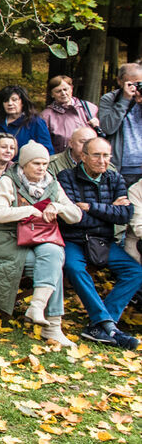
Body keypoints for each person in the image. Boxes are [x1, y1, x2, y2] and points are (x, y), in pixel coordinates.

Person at [0, 142, 80, 344]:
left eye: (45, 163)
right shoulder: (9, 181)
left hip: (39, 238)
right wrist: (29, 210)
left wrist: (57, 206)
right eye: (36, 163)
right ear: (24, 164)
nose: (42, 168)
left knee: (54, 253)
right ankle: (53, 327)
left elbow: (76, 215)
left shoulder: (52, 184)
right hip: (9, 241)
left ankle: (37, 306)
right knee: (53, 266)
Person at [57, 137, 142, 350]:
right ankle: (109, 327)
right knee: (74, 268)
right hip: (74, 239)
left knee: (135, 271)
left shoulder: (115, 178)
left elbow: (124, 215)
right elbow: (72, 217)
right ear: (83, 156)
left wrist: (91, 207)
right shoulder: (66, 177)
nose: (102, 160)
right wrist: (107, 210)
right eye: (96, 155)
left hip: (102, 241)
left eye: (106, 155)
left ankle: (102, 324)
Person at [97, 63, 142, 184]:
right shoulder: (109, 99)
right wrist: (124, 100)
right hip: (121, 166)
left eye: (139, 84)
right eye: (130, 84)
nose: (134, 88)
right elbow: (108, 128)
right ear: (120, 81)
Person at [0, 85, 54, 155]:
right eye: (6, 100)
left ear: (23, 102)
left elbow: (47, 151)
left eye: (14, 100)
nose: (10, 103)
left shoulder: (35, 122)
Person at [41, 75, 100, 153]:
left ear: (71, 88)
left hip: (88, 158)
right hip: (61, 160)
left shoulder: (89, 108)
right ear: (52, 94)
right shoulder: (46, 116)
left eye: (66, 89)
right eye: (58, 91)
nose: (63, 93)